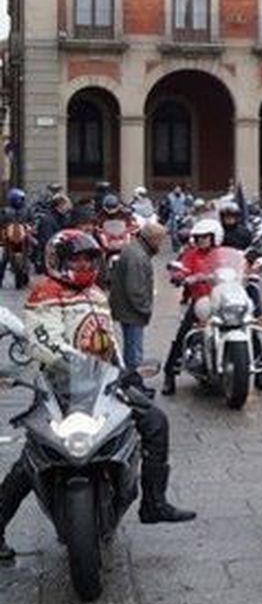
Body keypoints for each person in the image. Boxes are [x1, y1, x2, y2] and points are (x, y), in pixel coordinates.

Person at [0, 231, 194, 562]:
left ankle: (153, 502)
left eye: (89, 258)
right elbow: (43, 342)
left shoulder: (95, 292)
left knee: (155, 421)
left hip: (104, 382)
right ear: (58, 260)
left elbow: (107, 338)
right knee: (35, 456)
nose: (84, 263)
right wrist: (81, 363)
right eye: (76, 258)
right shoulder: (45, 293)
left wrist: (122, 369)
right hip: (59, 387)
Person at [161, 217, 225, 395]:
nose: (200, 240)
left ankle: (259, 371)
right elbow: (182, 269)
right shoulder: (191, 254)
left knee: (250, 322)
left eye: (205, 237)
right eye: (198, 237)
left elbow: (236, 267)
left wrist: (247, 272)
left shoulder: (222, 253)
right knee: (183, 334)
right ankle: (169, 374)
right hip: (202, 301)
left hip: (223, 301)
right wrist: (179, 276)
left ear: (215, 237)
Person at [108, 218, 164, 370]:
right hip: (131, 311)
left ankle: (131, 379)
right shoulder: (138, 257)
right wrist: (145, 308)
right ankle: (134, 381)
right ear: (152, 239)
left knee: (131, 346)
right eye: (160, 240)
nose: (161, 244)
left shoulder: (135, 250)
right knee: (134, 350)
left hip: (126, 308)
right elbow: (135, 289)